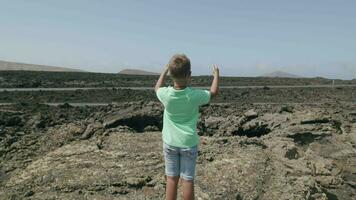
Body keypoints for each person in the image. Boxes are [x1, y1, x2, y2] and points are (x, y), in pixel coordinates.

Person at [154, 54, 220, 200]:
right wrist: (216, 75)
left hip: (170, 142)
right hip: (188, 143)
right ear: (189, 75)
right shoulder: (194, 95)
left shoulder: (166, 95)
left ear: (171, 74)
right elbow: (213, 93)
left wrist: (164, 72)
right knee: (188, 180)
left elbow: (157, 87)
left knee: (171, 179)